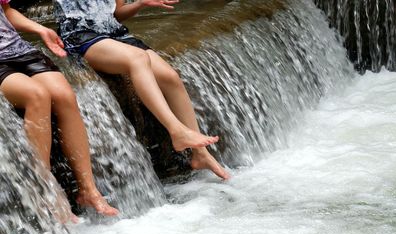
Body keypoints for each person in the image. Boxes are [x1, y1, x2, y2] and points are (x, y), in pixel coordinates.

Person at [53, 0, 230, 180]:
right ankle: (176, 130)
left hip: (114, 33)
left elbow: (117, 13)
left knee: (170, 77)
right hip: (80, 35)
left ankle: (200, 154)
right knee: (138, 58)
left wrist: (140, 4)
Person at [0, 0, 119, 220]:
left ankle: (88, 190)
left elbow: (6, 11)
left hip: (18, 49)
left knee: (64, 96)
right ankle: (46, 192)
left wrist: (40, 29)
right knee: (36, 95)